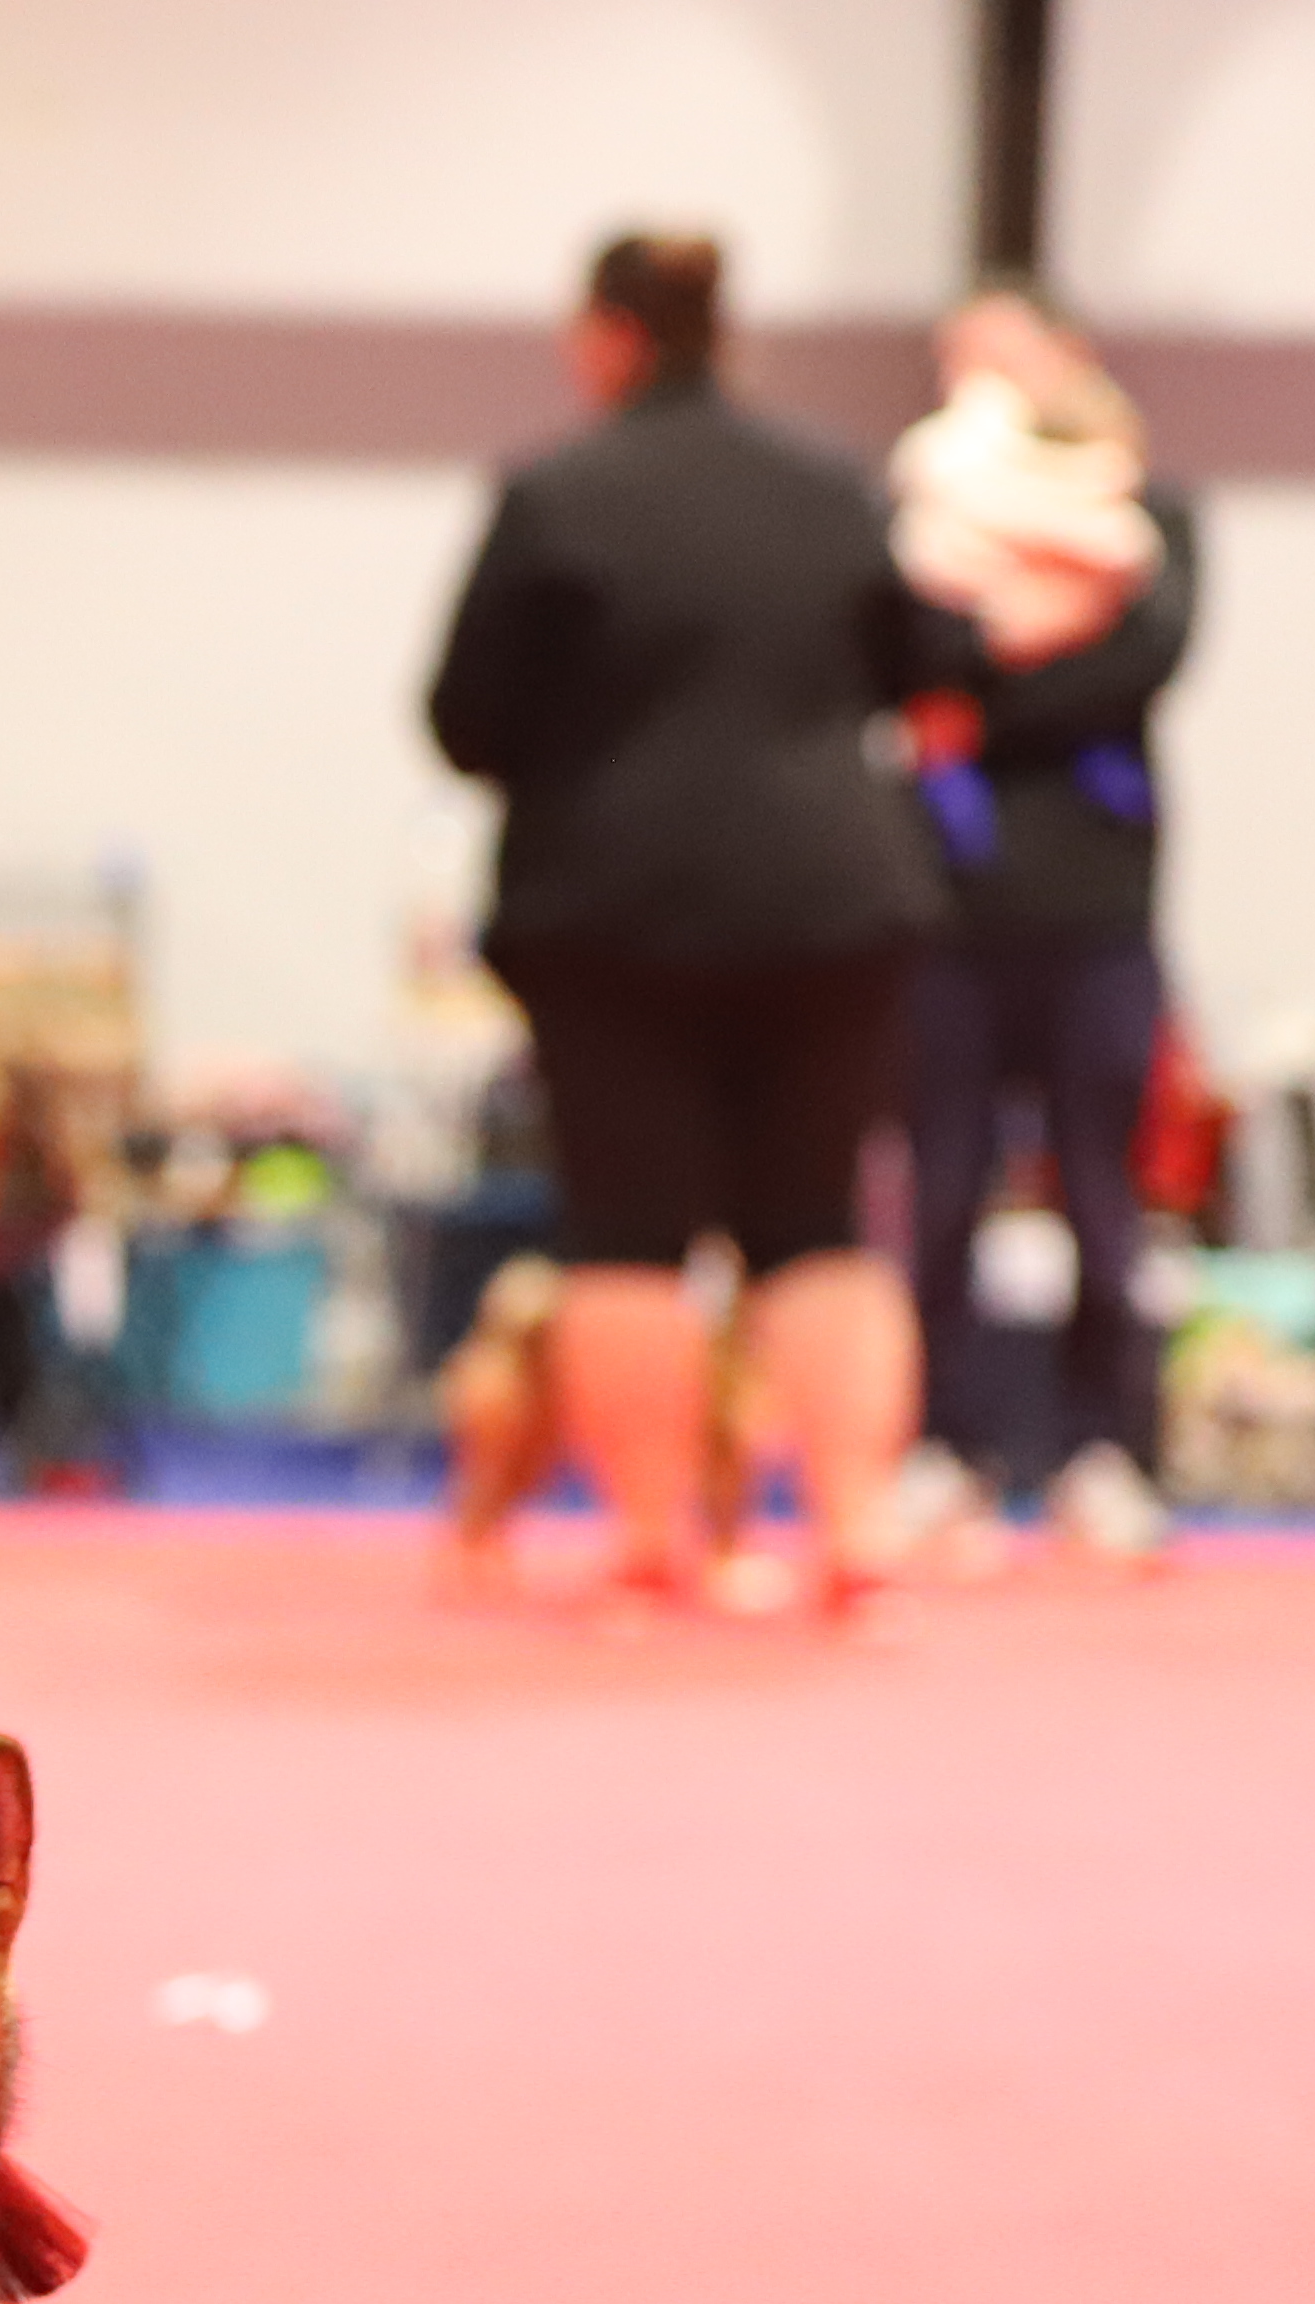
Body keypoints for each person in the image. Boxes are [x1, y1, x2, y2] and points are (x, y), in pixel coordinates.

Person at [425, 227, 948, 1611]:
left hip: (613, 907)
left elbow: (464, 720)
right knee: (818, 1225)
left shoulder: (555, 493)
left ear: (608, 335)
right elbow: (927, 671)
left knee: (628, 1230)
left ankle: (654, 1541)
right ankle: (854, 1534)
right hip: (828, 897)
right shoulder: (837, 485)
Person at [889, 285, 1197, 1565]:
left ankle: (1102, 1451)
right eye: (960, 356)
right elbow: (905, 655)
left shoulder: (1152, 513)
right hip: (946, 915)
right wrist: (992, 666)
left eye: (1005, 351)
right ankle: (942, 1453)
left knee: (1103, 1202)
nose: (983, 374)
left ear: (1066, 360)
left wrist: (990, 688)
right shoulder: (918, 509)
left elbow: (1142, 658)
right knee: (939, 1197)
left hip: (1098, 917)